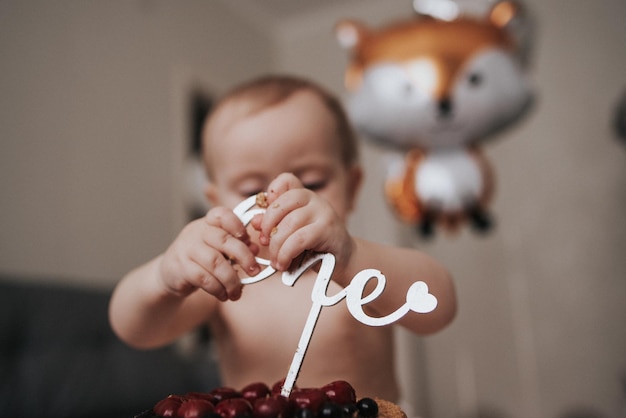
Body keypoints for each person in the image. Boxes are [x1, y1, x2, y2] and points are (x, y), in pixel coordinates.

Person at [109, 75, 457, 403]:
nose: (282, 201)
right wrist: (163, 277)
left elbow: (440, 307)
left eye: (313, 182)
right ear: (216, 203)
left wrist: (351, 256)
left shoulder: (361, 270)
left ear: (351, 189)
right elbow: (135, 330)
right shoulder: (226, 280)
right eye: (251, 190)